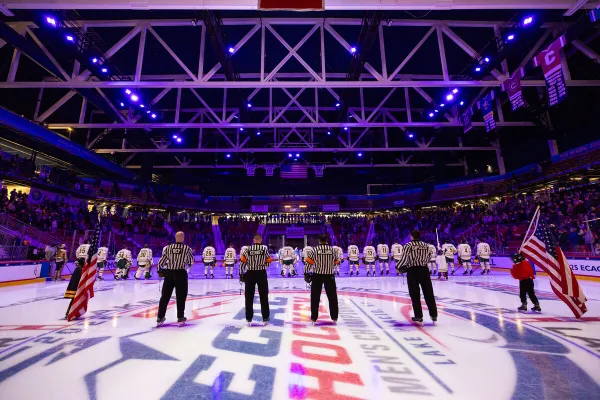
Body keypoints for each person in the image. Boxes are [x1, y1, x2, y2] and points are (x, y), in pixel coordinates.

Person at [396, 230, 438, 325]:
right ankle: (434, 315)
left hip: (413, 271)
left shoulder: (408, 246)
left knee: (415, 294)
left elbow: (404, 259)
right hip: (424, 270)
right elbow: (428, 258)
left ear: (411, 236)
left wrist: (398, 267)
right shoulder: (426, 245)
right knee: (429, 293)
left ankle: (419, 316)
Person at [157, 231, 195, 327]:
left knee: (165, 296)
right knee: (181, 296)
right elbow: (190, 262)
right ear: (183, 238)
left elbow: (161, 262)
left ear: (175, 238)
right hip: (180, 273)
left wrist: (161, 270)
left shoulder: (168, 248)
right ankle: (180, 317)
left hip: (169, 273)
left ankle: (160, 317)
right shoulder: (187, 248)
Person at [305, 235, 340, 325]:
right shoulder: (332, 250)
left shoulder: (315, 250)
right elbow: (336, 262)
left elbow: (309, 263)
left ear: (319, 240)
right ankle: (334, 317)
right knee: (332, 297)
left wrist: (306, 273)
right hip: (329, 276)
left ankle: (314, 318)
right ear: (327, 240)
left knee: (315, 297)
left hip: (317, 275)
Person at [240, 234, 272, 326]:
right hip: (261, 273)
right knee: (264, 296)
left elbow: (242, 262)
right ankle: (265, 318)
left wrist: (241, 273)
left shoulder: (248, 249)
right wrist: (264, 266)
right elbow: (269, 260)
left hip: (250, 273)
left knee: (249, 297)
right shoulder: (264, 249)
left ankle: (249, 319)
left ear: (254, 240)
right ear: (261, 240)